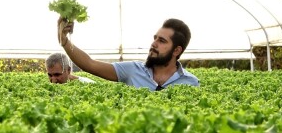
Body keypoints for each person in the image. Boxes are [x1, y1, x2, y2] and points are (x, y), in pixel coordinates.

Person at [57, 17, 199, 91]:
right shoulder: (133, 70)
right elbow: (89, 64)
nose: (154, 44)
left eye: (162, 41)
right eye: (154, 38)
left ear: (176, 50)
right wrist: (64, 40)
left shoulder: (190, 82)